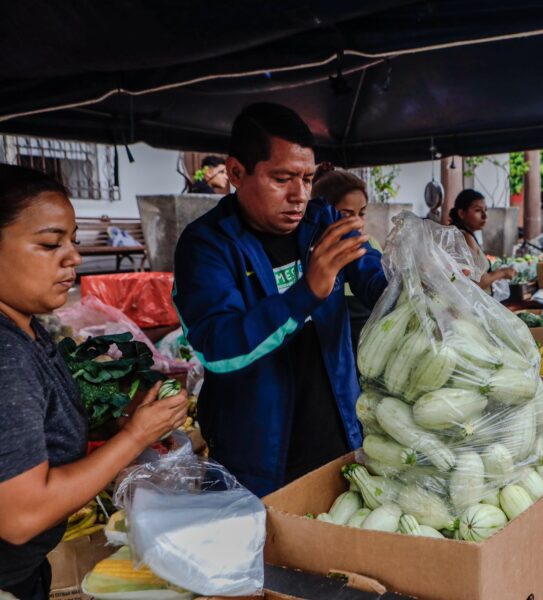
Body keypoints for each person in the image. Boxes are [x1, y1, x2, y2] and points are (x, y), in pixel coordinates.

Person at [172, 103, 387, 497]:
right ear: (237, 173)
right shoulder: (207, 246)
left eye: (307, 178)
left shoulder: (320, 222)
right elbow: (218, 347)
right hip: (256, 459)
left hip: (339, 436)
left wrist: (422, 288)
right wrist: (307, 292)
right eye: (282, 178)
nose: (299, 195)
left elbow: (374, 274)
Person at [0, 165, 189, 599]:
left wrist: (118, 426)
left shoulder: (28, 330)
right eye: (50, 244)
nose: (73, 257)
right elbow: (21, 516)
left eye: (72, 240)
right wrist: (136, 435)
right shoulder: (6, 353)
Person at [310, 167, 378, 356]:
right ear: (325, 213)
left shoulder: (369, 245)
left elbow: (377, 277)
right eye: (346, 214)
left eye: (361, 213)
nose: (357, 222)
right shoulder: (311, 253)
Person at [448, 189, 515, 291]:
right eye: (478, 210)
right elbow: (475, 283)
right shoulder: (465, 238)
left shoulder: (463, 234)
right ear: (462, 213)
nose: (484, 216)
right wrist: (502, 273)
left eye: (485, 210)